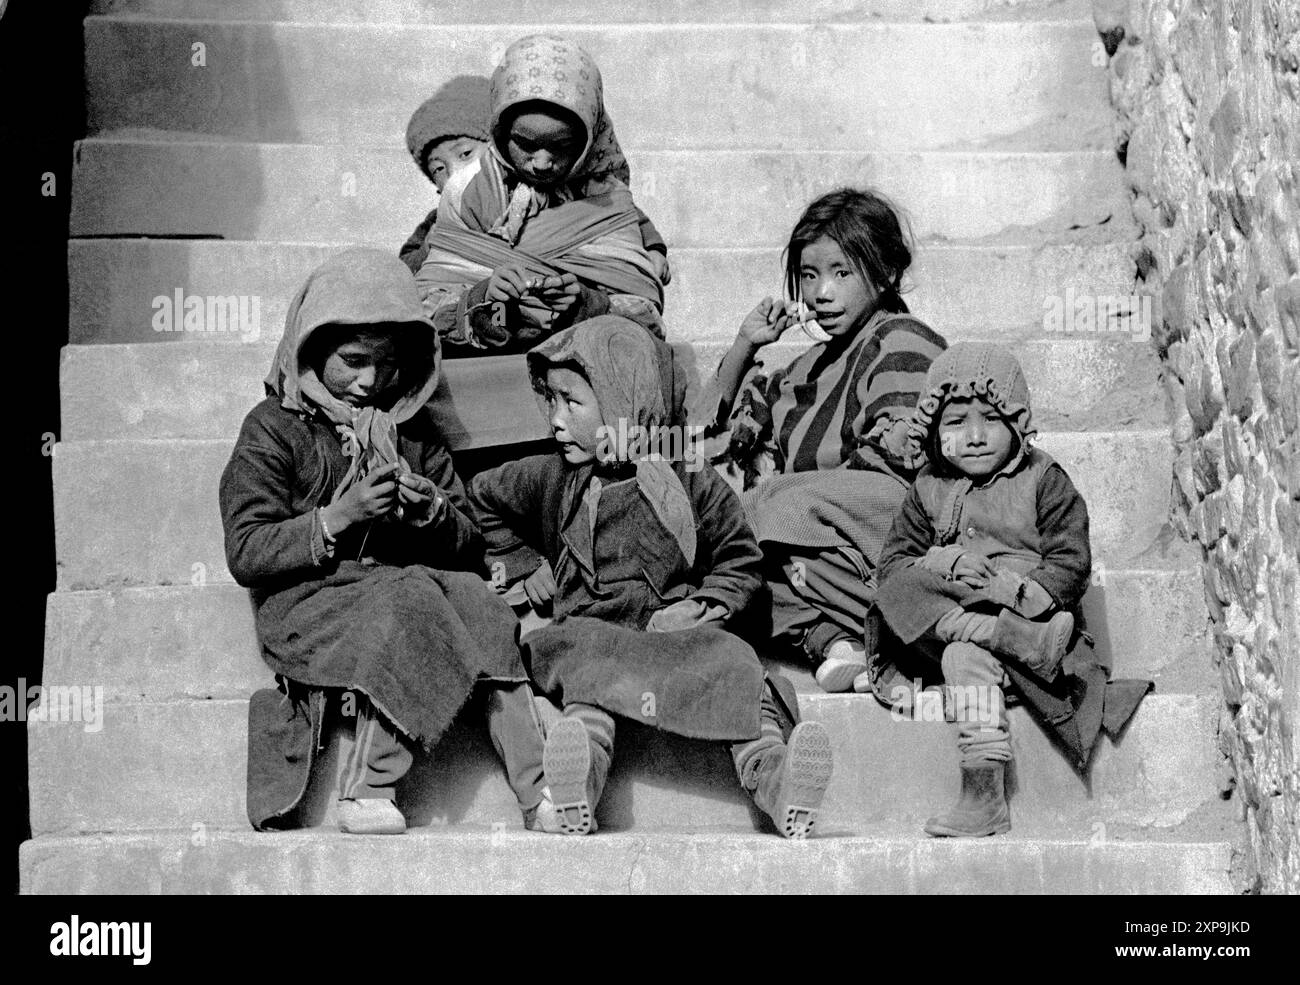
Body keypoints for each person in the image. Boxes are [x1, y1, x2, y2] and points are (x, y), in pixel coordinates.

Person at [219, 249, 556, 835]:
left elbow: (468, 544)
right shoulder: (272, 428)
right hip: (306, 606)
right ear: (310, 350)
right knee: (413, 602)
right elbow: (247, 550)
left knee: (481, 605)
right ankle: (368, 789)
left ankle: (542, 790)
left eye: (387, 365)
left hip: (400, 586)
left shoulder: (412, 431)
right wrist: (337, 518)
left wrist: (431, 513)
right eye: (351, 361)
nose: (370, 381)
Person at [468, 315, 834, 838]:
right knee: (586, 677)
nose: (555, 420)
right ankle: (576, 785)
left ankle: (780, 783)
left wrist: (705, 606)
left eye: (571, 403)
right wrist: (527, 566)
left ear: (623, 400)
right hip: (592, 633)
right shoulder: (553, 475)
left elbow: (739, 557)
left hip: (677, 637)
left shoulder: (688, 475)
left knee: (735, 661)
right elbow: (483, 497)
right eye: (551, 401)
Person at [873, 341, 1152, 837]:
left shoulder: (1043, 479)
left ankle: (985, 781)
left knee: (960, 654)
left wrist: (1023, 593)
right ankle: (983, 798)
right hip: (963, 621)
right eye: (956, 422)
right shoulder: (927, 488)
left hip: (1033, 618)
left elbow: (1071, 560)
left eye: (992, 419)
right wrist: (946, 561)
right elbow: (895, 564)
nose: (975, 436)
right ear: (934, 430)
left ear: (1018, 423)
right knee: (908, 604)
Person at [697, 187, 947, 692]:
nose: (821, 293)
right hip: (809, 532)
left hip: (884, 532)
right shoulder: (800, 371)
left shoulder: (901, 339)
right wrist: (745, 344)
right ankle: (832, 639)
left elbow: (896, 467)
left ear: (884, 273)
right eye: (809, 275)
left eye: (841, 272)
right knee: (715, 535)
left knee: (758, 511)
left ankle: (881, 625)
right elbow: (705, 439)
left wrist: (775, 500)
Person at [416, 35, 666, 353]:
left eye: (561, 146)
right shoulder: (467, 193)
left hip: (584, 369)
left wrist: (588, 304)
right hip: (484, 372)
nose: (543, 163)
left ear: (590, 137)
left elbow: (648, 318)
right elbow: (423, 312)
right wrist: (484, 299)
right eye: (526, 144)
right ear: (500, 133)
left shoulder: (607, 198)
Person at [401, 74, 670, 283]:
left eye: (465, 154)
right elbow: (405, 270)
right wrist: (435, 246)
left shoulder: (555, 186)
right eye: (438, 169)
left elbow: (621, 213)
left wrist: (654, 250)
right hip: (493, 315)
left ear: (500, 148)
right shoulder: (442, 221)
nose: (454, 174)